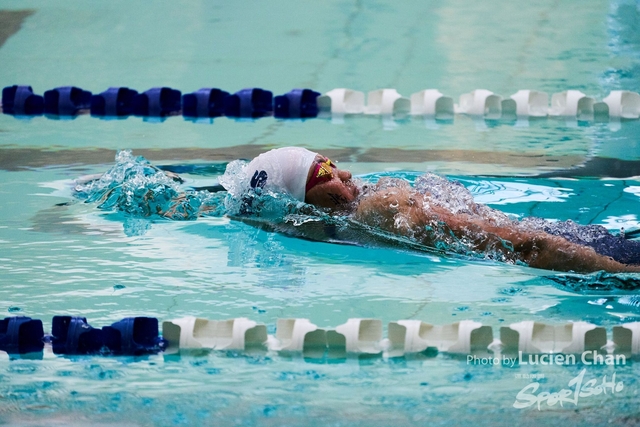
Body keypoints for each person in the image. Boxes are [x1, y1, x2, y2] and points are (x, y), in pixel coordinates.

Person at [76, 147, 640, 274]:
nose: (345, 177)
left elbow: (526, 246)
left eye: (337, 167)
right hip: (573, 237)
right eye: (327, 179)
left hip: (583, 251)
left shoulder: (382, 210)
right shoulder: (357, 211)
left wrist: (622, 277)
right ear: (300, 202)